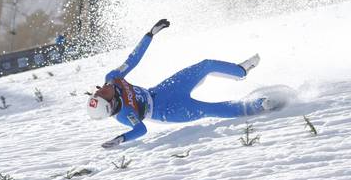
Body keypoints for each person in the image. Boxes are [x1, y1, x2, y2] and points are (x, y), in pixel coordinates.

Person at [87, 19, 282, 148]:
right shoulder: (124, 115)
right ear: (111, 105)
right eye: (102, 94)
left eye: (97, 92)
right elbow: (141, 130)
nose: (102, 88)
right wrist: (120, 139)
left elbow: (133, 59)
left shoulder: (112, 78)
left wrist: (150, 34)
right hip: (168, 111)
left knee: (206, 65)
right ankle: (259, 105)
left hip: (162, 91)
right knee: (209, 109)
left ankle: (240, 71)